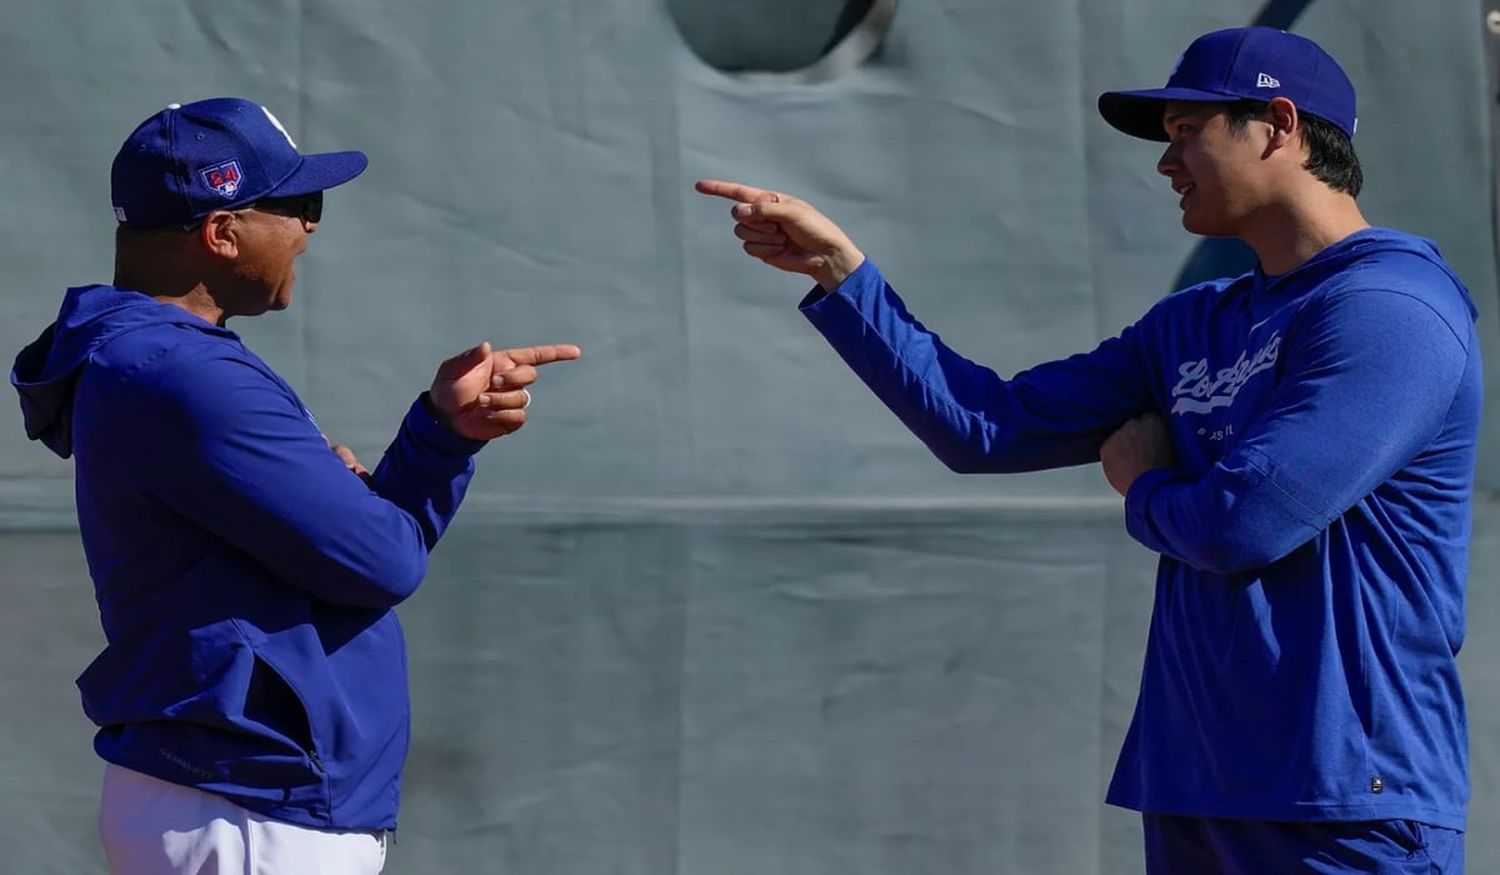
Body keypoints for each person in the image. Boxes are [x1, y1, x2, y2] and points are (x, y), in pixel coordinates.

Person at [698, 26, 1479, 874]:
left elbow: (1241, 524)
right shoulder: (1193, 322)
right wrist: (843, 276)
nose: (1165, 162)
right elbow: (982, 425)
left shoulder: (1392, 307)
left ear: (1279, 125)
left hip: (1344, 802)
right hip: (1195, 788)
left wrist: (1140, 482)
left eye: (1188, 132)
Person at [10, 97, 580, 874]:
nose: (310, 227)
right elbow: (384, 558)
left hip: (232, 792)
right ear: (221, 231)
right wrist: (395, 471)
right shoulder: (181, 371)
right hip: (245, 803)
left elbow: (355, 542)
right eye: (297, 205)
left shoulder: (157, 359)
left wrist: (443, 434)